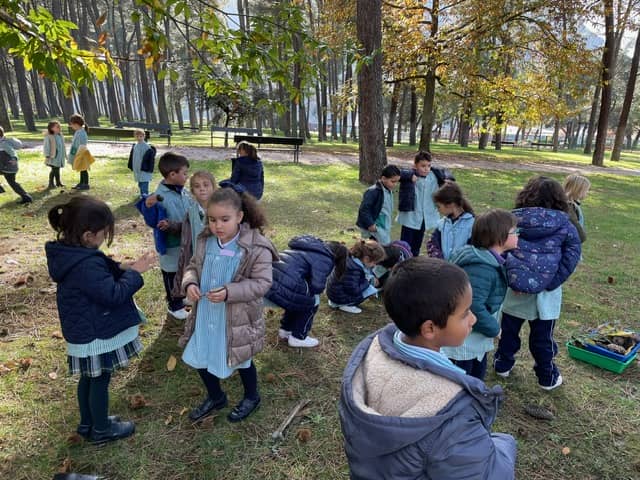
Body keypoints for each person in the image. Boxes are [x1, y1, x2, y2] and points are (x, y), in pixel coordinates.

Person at [339, 257, 517, 480]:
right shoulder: (452, 416)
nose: (473, 319)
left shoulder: (373, 353)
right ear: (430, 329)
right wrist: (505, 443)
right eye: (465, 313)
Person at [45, 196, 155, 444]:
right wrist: (136, 274)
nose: (105, 238)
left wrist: (123, 268)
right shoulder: (86, 264)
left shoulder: (71, 254)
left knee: (88, 378)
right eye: (104, 233)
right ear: (88, 235)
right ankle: (102, 430)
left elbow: (100, 275)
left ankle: (88, 423)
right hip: (95, 333)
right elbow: (113, 294)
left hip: (83, 331)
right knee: (100, 379)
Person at [181, 187, 278, 423]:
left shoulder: (256, 247)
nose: (218, 226)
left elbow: (262, 283)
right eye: (212, 219)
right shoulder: (205, 240)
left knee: (241, 358)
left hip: (236, 317)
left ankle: (252, 396)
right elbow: (192, 266)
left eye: (225, 219)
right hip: (206, 313)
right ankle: (216, 397)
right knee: (201, 353)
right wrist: (190, 283)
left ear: (239, 216)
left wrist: (229, 292)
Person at [494, 176, 582, 390]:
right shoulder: (566, 224)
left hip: (515, 290)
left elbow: (500, 249)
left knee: (509, 331)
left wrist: (512, 277)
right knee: (542, 338)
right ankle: (546, 377)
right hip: (546, 296)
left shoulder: (511, 221)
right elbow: (571, 256)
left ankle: (502, 364)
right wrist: (551, 283)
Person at [441, 209, 518, 380]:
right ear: (499, 237)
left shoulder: (488, 261)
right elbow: (472, 306)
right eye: (514, 231)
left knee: (476, 375)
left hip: (473, 339)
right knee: (464, 381)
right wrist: (494, 329)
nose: (518, 235)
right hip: (464, 342)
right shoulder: (481, 268)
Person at [266, 235, 338, 348]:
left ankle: (285, 329)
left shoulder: (305, 247)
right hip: (282, 285)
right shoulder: (326, 258)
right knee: (312, 302)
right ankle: (299, 337)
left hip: (268, 279)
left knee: (297, 297)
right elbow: (317, 287)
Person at [146, 152, 192, 320]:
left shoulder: (183, 191)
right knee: (171, 272)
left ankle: (182, 296)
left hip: (184, 240)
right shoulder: (160, 196)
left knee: (183, 269)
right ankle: (174, 305)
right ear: (172, 175)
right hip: (170, 242)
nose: (187, 176)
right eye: (184, 173)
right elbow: (153, 218)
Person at [173, 171, 218, 323]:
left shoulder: (219, 208)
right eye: (197, 186)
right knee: (200, 281)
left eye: (206, 185)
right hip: (198, 255)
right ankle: (201, 310)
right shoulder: (192, 211)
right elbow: (188, 232)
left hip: (216, 254)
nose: (202, 189)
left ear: (213, 187)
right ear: (192, 191)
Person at [397, 150, 454, 256]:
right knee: (405, 244)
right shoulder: (411, 174)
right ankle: (404, 260)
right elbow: (396, 173)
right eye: (423, 166)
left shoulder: (435, 174)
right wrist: (409, 176)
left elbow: (448, 174)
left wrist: (447, 179)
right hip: (410, 215)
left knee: (417, 243)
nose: (426, 169)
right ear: (415, 165)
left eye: (428, 165)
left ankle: (415, 260)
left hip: (425, 216)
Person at [326, 239, 385, 314]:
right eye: (374, 263)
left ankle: (338, 302)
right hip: (339, 296)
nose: (375, 265)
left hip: (335, 292)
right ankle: (344, 305)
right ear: (366, 259)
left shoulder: (352, 259)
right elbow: (354, 290)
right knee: (369, 289)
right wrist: (367, 282)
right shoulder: (353, 270)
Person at [427, 182, 475, 260]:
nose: (437, 210)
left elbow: (473, 251)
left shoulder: (472, 224)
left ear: (450, 205)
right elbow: (432, 244)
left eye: (438, 206)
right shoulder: (442, 224)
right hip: (442, 266)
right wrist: (440, 261)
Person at [356, 165, 401, 245]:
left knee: (384, 246)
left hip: (383, 226)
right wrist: (370, 224)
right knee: (374, 248)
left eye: (396, 182)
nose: (395, 184)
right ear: (383, 178)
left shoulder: (388, 190)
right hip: (374, 228)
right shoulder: (373, 191)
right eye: (393, 181)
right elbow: (364, 209)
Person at [0, 126, 32, 204]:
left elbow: (12, 152)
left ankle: (26, 197)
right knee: (13, 183)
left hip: (8, 168)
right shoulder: (2, 142)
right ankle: (26, 197)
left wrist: (14, 159)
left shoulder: (3, 144)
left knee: (13, 183)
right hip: (6, 167)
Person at [68, 113, 94, 191]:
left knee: (84, 169)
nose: (71, 126)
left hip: (82, 154)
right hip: (78, 153)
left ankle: (85, 184)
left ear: (76, 124)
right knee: (81, 169)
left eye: (71, 124)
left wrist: (79, 154)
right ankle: (81, 182)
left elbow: (82, 145)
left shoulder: (82, 133)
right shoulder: (78, 131)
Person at [127, 128, 155, 197]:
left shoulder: (147, 147)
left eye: (141, 136)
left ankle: (145, 196)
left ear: (144, 136)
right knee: (140, 183)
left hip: (144, 168)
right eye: (137, 136)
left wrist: (148, 168)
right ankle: (142, 194)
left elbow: (150, 159)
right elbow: (134, 157)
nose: (139, 138)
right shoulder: (135, 146)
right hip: (137, 168)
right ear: (135, 137)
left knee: (144, 182)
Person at [563, 173, 590, 243]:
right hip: (570, 243)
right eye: (586, 190)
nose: (587, 192)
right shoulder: (569, 207)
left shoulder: (572, 204)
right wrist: (582, 237)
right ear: (577, 190)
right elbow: (574, 224)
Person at [44, 120, 66, 189]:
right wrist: (47, 155)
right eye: (57, 127)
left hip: (59, 156)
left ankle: (56, 183)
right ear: (51, 128)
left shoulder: (60, 135)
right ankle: (54, 183)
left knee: (56, 169)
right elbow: (46, 146)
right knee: (55, 169)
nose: (59, 128)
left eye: (60, 126)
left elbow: (63, 145)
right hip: (53, 156)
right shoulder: (49, 136)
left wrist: (64, 154)